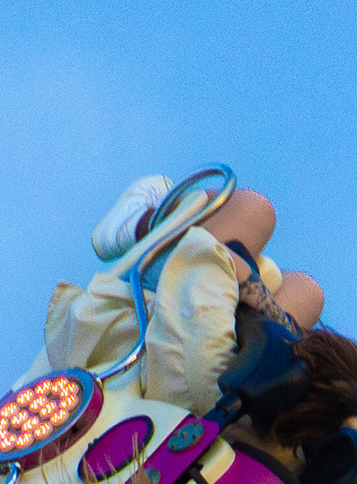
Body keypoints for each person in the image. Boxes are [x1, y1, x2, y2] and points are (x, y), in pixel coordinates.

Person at [45, 176, 328, 416]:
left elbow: (216, 258)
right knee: (300, 289)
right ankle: (164, 222)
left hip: (146, 350)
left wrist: (242, 275)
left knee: (253, 211)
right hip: (232, 406)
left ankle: (142, 222)